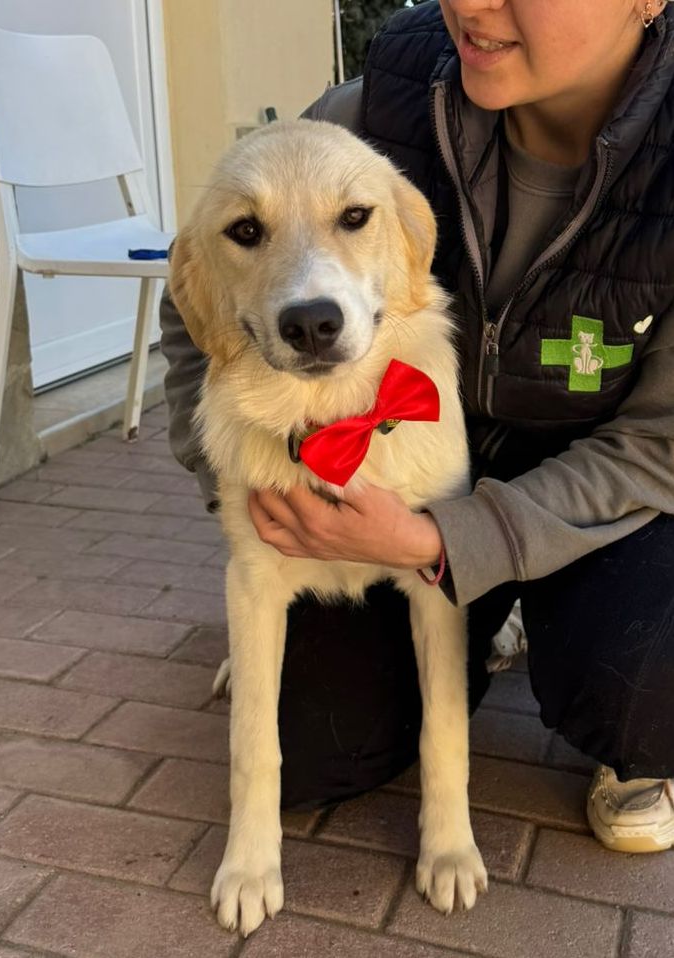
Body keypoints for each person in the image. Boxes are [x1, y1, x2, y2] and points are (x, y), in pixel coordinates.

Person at [161, 0, 674, 852]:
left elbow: (662, 446)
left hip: (595, 500)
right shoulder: (374, 108)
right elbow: (199, 291)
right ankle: (483, 634)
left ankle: (626, 732)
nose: (473, 4)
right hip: (393, 481)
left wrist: (452, 540)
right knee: (320, 748)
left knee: (645, 680)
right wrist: (232, 486)